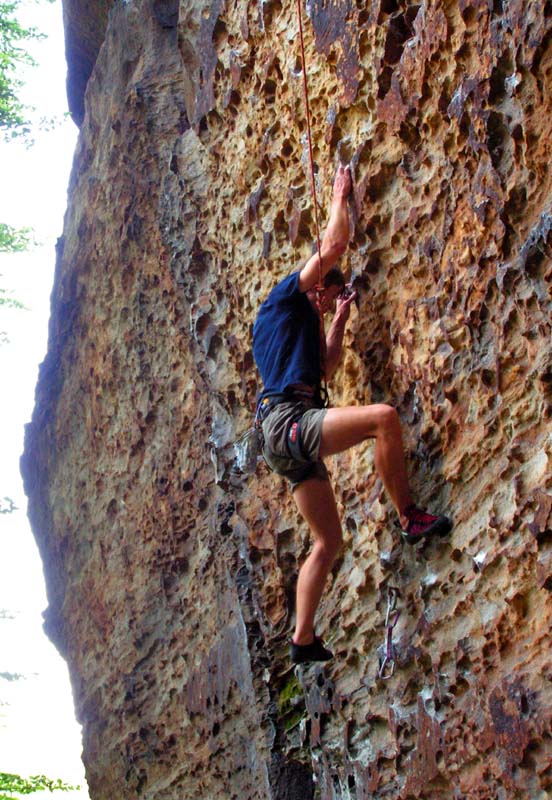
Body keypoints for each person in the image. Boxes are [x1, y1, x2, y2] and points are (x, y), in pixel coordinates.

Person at [252, 164, 452, 664]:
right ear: (314, 289)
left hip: (284, 434)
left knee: (329, 539)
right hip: (287, 422)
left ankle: (302, 638)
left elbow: (327, 365)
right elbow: (334, 244)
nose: (325, 304)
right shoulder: (285, 300)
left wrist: (339, 319)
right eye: (326, 297)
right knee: (382, 418)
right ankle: (408, 516)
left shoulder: (300, 327)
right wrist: (340, 194)